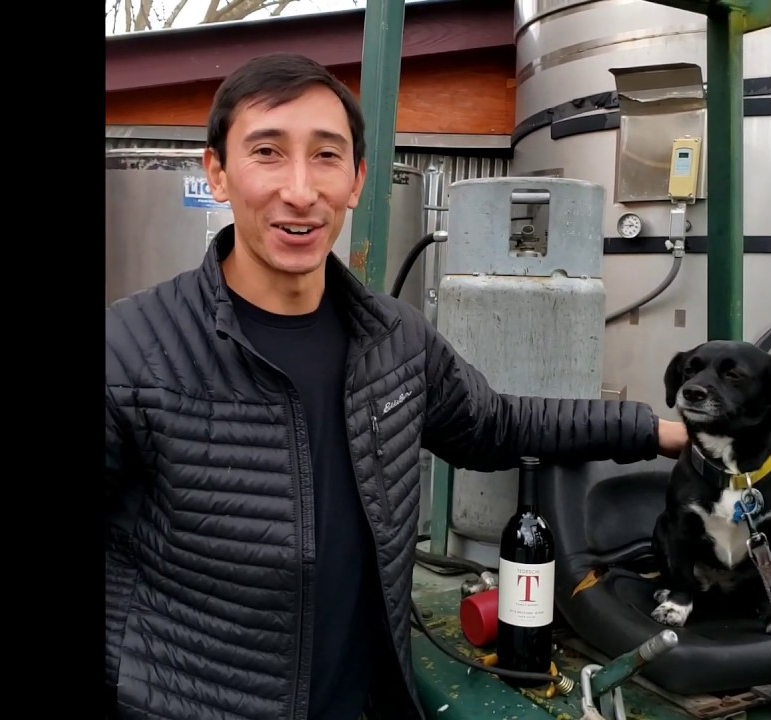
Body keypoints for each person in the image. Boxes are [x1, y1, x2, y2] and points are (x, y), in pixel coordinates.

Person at [104, 52, 689, 720]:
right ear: (218, 173)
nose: (300, 190)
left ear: (356, 181)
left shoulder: (392, 341)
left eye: (326, 157)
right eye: (267, 152)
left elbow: (498, 424)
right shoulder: (131, 352)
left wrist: (658, 432)